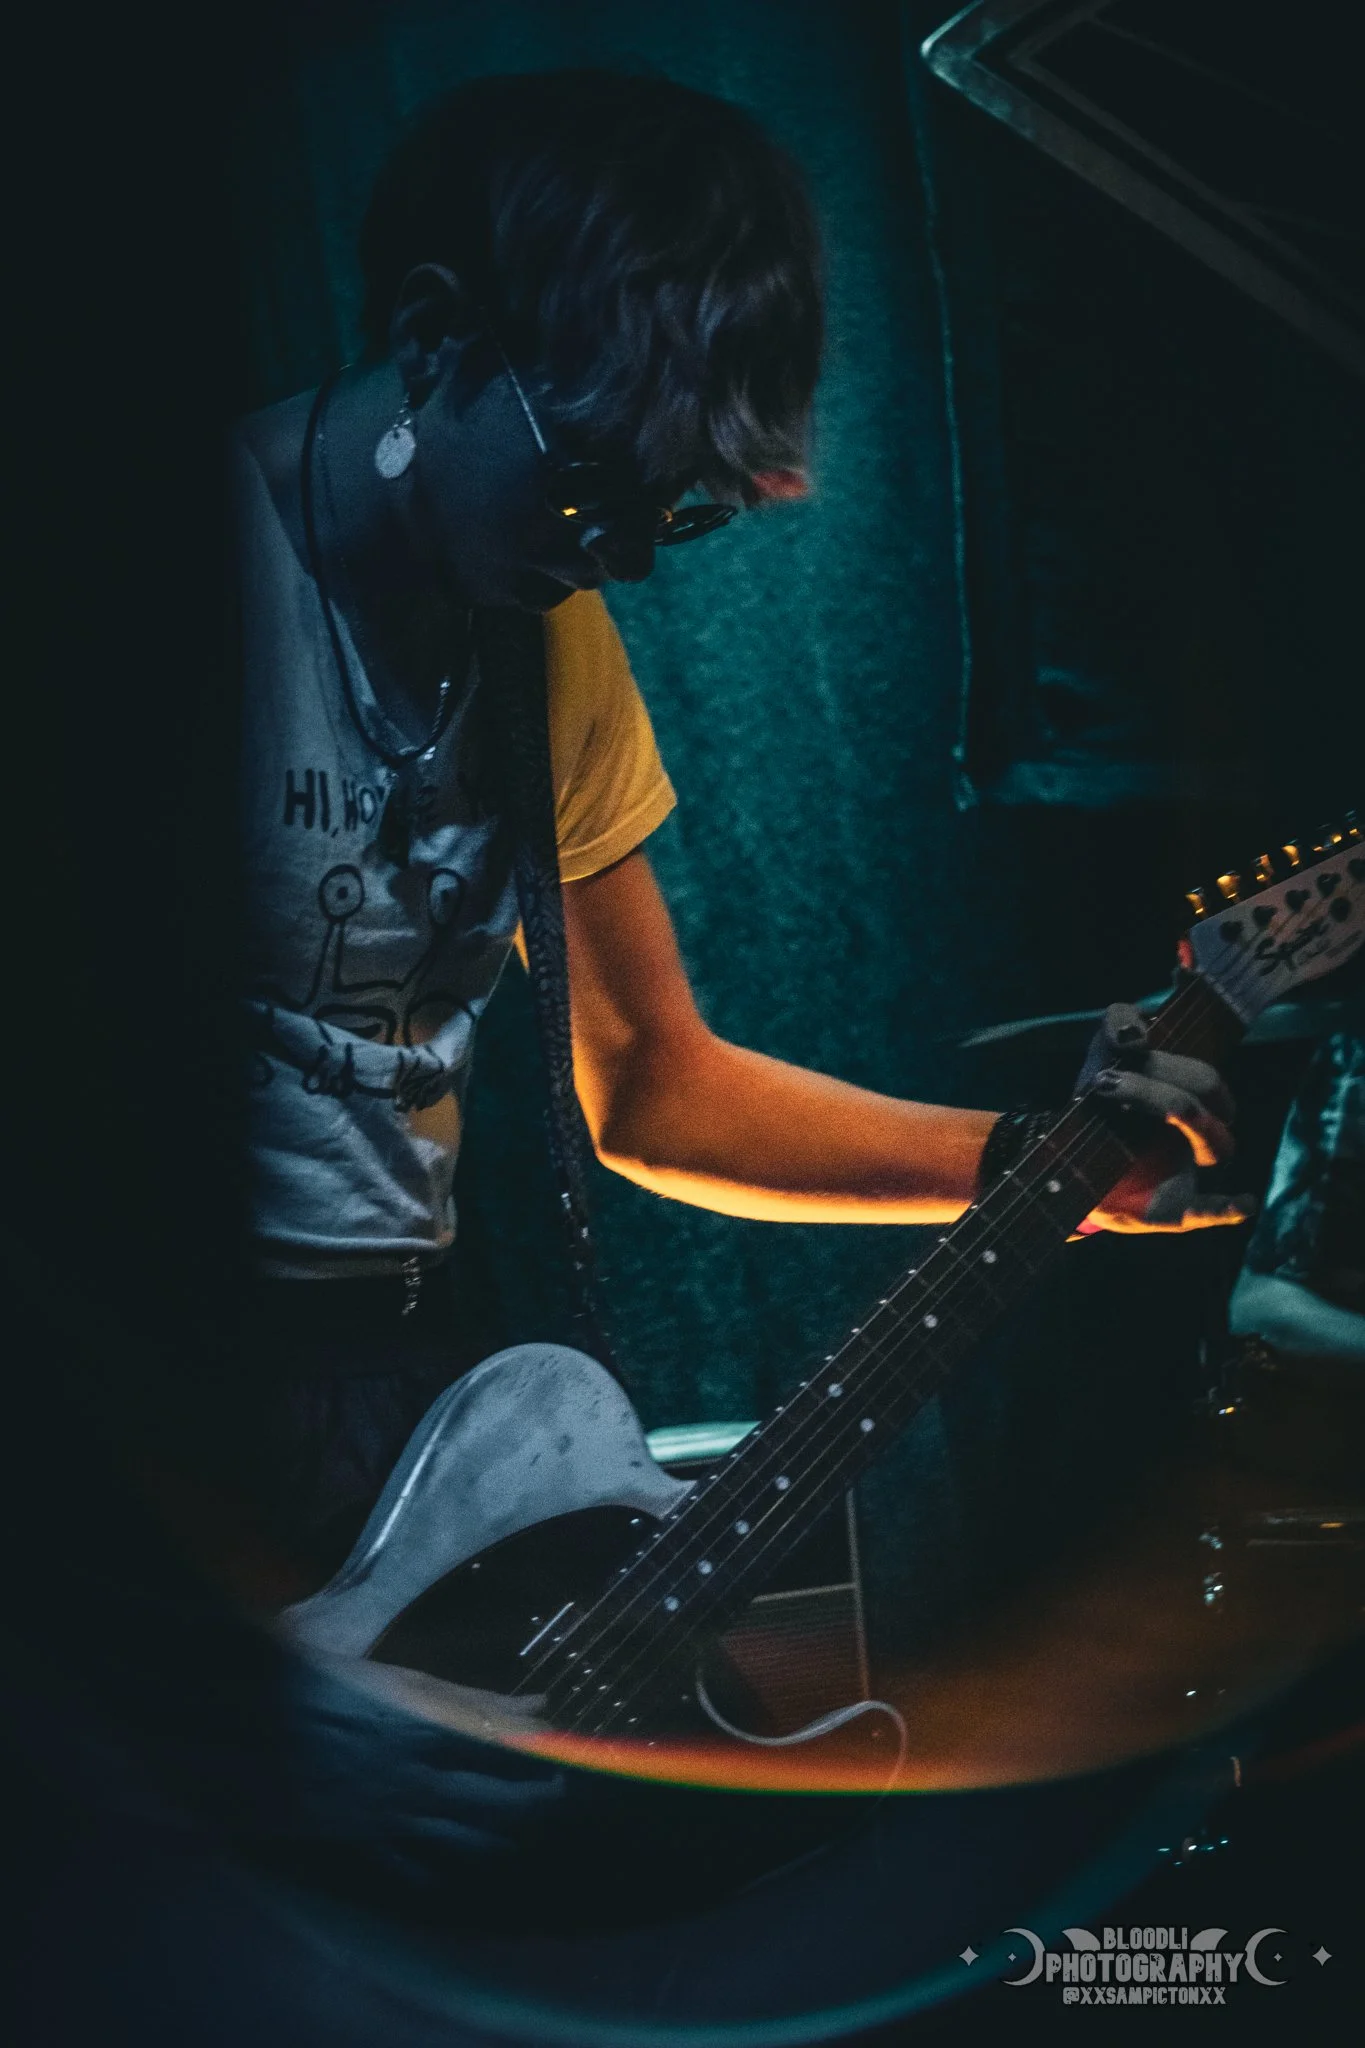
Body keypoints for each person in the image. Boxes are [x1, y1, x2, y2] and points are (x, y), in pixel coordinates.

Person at [235, 69, 1245, 1592]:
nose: (625, 565)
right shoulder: (137, 582)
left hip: (386, 1390)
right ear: (438, 343)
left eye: (676, 517)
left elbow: (650, 1082)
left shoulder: (542, 643)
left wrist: (1040, 1162)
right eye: (593, 495)